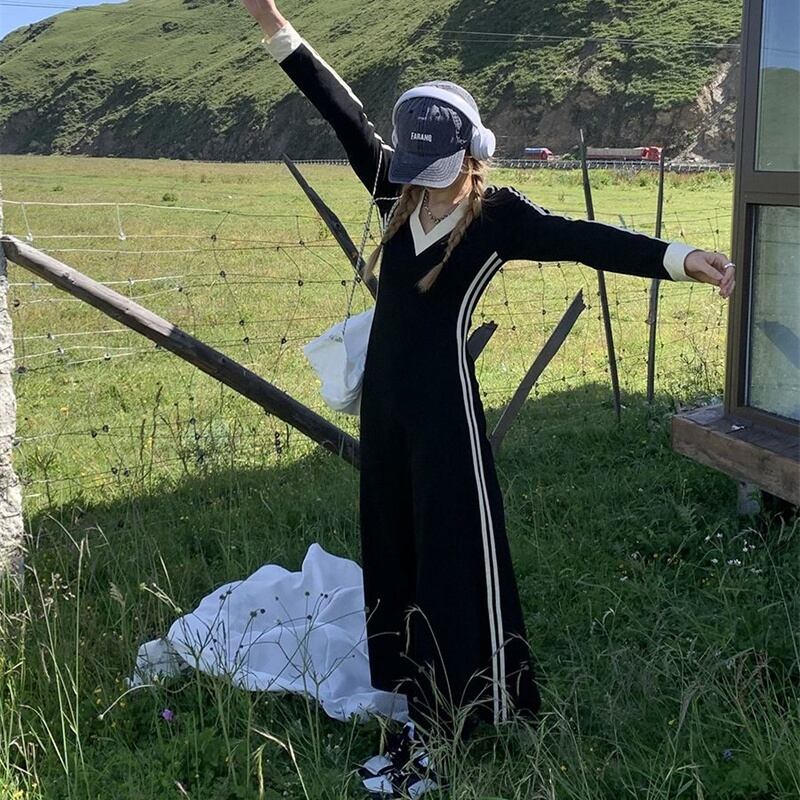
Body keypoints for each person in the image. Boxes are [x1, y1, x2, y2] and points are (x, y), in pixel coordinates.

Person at [241, 2, 736, 795]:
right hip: (387, 416)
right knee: (392, 552)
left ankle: (455, 718)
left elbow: (586, 238)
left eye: (437, 171)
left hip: (445, 419)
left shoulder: (498, 218)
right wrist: (273, 21)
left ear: (473, 158)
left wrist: (682, 258)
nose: (424, 184)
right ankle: (409, 702)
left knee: (452, 561)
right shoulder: (394, 191)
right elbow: (338, 108)